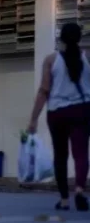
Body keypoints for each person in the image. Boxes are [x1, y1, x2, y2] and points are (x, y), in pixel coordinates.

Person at [27, 22, 90, 211]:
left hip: (58, 113)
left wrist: (33, 118)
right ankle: (79, 190)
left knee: (60, 156)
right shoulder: (87, 58)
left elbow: (44, 90)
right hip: (82, 110)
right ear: (79, 38)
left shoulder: (51, 60)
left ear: (61, 38)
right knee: (81, 154)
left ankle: (64, 200)